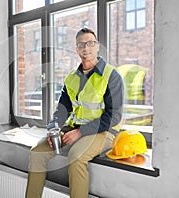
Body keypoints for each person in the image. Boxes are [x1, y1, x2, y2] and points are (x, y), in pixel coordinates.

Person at [25, 28, 124, 198]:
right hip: (74, 127)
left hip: (104, 131)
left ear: (97, 46)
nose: (86, 48)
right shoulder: (72, 77)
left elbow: (114, 116)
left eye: (90, 43)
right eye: (81, 45)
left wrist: (80, 132)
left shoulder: (111, 75)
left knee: (76, 158)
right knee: (36, 153)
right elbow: (62, 109)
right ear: (77, 49)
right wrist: (53, 128)